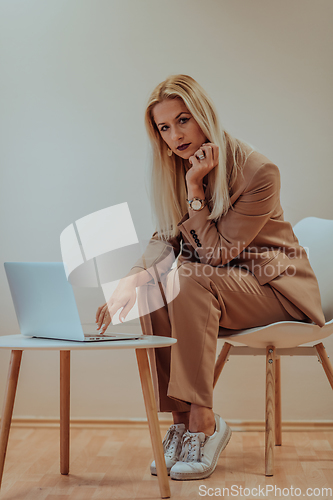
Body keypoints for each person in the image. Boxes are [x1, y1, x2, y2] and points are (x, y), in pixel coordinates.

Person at [95, 75, 325, 481]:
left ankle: (205, 422)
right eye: (164, 128)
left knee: (188, 276)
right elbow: (165, 235)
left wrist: (195, 189)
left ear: (203, 115)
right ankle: (182, 423)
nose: (175, 135)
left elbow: (217, 254)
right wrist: (133, 277)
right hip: (222, 287)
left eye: (183, 120)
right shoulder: (174, 167)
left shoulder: (257, 171)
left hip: (276, 289)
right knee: (155, 283)